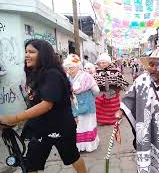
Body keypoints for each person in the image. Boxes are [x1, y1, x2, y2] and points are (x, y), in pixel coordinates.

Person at [0, 39, 87, 172]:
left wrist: (15, 118)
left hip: (60, 127)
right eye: (26, 52)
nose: (27, 55)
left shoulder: (52, 74)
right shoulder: (34, 73)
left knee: (72, 157)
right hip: (39, 127)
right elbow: (34, 101)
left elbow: (46, 104)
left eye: (32, 52)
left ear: (43, 54)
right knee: (32, 163)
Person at [63, 54, 100, 152]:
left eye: (71, 68)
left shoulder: (86, 77)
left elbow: (96, 91)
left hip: (87, 106)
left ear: (78, 67)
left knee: (87, 125)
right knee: (78, 126)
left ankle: (89, 146)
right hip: (74, 107)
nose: (69, 70)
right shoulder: (67, 78)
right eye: (67, 68)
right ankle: (80, 146)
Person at [94, 53, 128, 125]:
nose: (102, 64)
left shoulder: (115, 71)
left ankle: (113, 120)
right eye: (101, 63)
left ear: (108, 62)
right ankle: (102, 121)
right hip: (101, 94)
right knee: (100, 108)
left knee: (112, 108)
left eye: (104, 62)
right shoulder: (97, 72)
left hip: (112, 93)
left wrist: (118, 89)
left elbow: (122, 81)